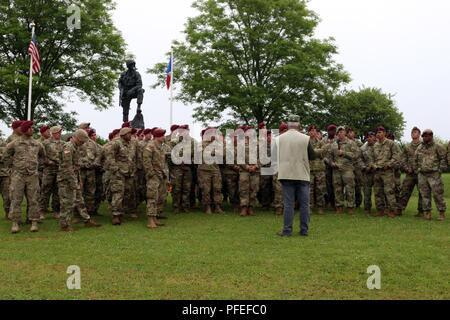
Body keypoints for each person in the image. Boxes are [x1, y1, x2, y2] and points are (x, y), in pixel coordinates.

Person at [275, 115, 316, 237]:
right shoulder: (305, 138)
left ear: (288, 124)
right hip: (302, 174)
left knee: (288, 204)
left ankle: (287, 230)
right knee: (304, 204)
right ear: (298, 124)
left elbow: (273, 155)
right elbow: (312, 155)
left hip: (286, 174)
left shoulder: (279, 138)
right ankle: (304, 230)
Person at [3, 121, 45, 233]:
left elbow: (42, 157)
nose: (32, 129)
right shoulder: (14, 143)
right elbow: (6, 156)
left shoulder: (37, 144)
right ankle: (15, 223)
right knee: (16, 199)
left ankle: (34, 222)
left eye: (32, 128)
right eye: (29, 128)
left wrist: (37, 166)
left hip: (32, 175)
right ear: (24, 130)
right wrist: (11, 168)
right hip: (18, 175)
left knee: (34, 199)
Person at [58, 130, 101, 231]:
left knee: (80, 200)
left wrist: (78, 180)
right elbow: (68, 167)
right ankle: (64, 225)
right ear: (77, 138)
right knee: (67, 202)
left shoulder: (75, 147)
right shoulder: (68, 147)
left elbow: (75, 166)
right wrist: (74, 182)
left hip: (74, 177)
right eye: (82, 141)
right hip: (66, 179)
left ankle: (87, 220)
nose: (82, 143)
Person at [414, 129, 447, 221]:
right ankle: (427, 213)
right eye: (424, 136)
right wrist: (417, 169)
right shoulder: (420, 147)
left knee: (438, 194)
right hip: (422, 174)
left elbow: (443, 158)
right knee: (424, 195)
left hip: (434, 174)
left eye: (427, 135)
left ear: (431, 136)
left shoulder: (438, 146)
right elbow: (415, 159)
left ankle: (441, 213)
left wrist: (440, 169)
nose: (425, 137)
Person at [108, 127, 136, 225]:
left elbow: (133, 158)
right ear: (124, 134)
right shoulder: (117, 143)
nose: (131, 135)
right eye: (129, 133)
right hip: (119, 173)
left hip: (129, 173)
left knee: (127, 193)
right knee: (118, 193)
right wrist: (115, 168)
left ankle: (121, 212)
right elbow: (109, 156)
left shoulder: (132, 144)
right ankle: (115, 215)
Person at [371, 127, 401, 218]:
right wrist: (373, 165)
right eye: (377, 132)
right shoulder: (375, 145)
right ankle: (380, 210)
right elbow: (372, 158)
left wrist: (389, 164)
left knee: (389, 192)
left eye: (380, 132)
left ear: (384, 133)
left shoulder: (391, 143)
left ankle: (392, 210)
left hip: (387, 171)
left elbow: (397, 156)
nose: (378, 134)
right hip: (377, 171)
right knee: (378, 192)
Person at [143, 128, 167, 229]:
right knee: (152, 197)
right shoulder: (150, 146)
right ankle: (150, 221)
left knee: (158, 198)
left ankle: (155, 218)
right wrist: (151, 174)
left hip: (160, 175)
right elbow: (146, 162)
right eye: (162, 135)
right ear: (158, 136)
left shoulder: (160, 147)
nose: (164, 137)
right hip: (153, 176)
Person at [330, 126, 357, 214]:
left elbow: (355, 155)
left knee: (349, 189)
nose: (340, 133)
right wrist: (331, 163)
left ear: (345, 132)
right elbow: (328, 156)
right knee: (337, 189)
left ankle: (350, 207)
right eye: (339, 132)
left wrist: (344, 153)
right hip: (336, 170)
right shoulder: (333, 144)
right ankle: (339, 207)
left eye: (342, 131)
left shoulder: (351, 143)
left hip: (347, 169)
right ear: (337, 133)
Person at [398, 127, 424, 217]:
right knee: (404, 190)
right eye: (412, 132)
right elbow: (402, 159)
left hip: (421, 173)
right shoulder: (407, 146)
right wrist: (406, 168)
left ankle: (421, 211)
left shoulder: (423, 145)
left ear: (419, 134)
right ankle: (400, 209)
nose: (413, 133)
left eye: (415, 132)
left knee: (422, 192)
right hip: (410, 173)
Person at [40, 126, 64, 219]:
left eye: (60, 132)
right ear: (53, 133)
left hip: (59, 170)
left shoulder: (63, 143)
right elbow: (41, 156)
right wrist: (48, 162)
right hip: (48, 170)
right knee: (45, 190)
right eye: (58, 132)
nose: (60, 133)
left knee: (57, 191)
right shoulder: (45, 143)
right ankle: (42, 210)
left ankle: (56, 210)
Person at [308, 125, 326, 214]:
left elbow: (323, 151)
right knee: (309, 190)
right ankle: (309, 207)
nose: (313, 132)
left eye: (314, 130)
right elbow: (305, 153)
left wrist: (313, 151)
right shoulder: (305, 142)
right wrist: (317, 151)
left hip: (319, 169)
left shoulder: (321, 142)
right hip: (309, 169)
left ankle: (320, 207)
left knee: (320, 189)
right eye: (311, 130)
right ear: (308, 132)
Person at [360, 132, 376, 215]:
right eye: (367, 137)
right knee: (366, 191)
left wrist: (375, 166)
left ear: (374, 137)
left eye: (371, 136)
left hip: (377, 172)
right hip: (367, 172)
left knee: (379, 191)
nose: (369, 138)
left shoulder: (378, 147)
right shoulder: (363, 148)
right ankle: (367, 209)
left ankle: (381, 209)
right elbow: (359, 160)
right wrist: (364, 167)